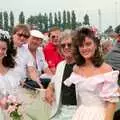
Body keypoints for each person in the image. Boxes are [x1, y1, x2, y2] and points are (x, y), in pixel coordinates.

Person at [64, 27, 120, 120]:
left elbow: (111, 103)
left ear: (96, 44)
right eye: (81, 45)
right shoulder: (76, 69)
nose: (84, 48)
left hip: (100, 115)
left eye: (88, 44)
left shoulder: (106, 69)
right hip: (80, 114)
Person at [45, 29, 77, 120]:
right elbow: (54, 80)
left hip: (78, 112)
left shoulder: (83, 65)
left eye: (70, 45)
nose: (66, 47)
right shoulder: (61, 65)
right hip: (60, 111)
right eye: (63, 45)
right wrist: (50, 88)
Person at [0, 30, 21, 119]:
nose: (0, 51)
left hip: (10, 111)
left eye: (3, 49)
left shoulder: (12, 69)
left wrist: (13, 102)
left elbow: (15, 91)